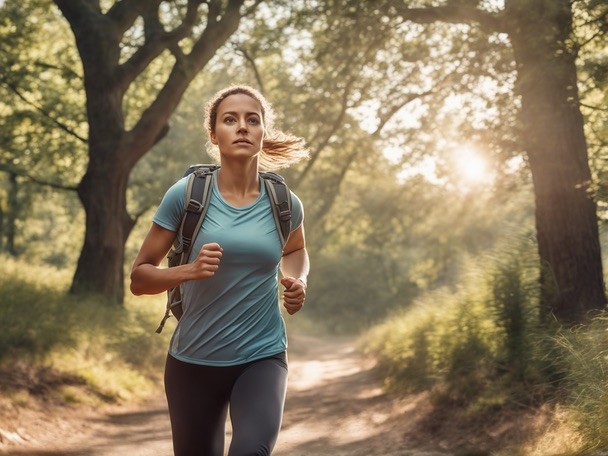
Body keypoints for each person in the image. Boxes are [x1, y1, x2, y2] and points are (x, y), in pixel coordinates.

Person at [130, 85, 310, 456]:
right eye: (230, 120)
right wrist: (188, 271)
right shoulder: (186, 195)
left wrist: (297, 280)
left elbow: (296, 249)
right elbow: (139, 278)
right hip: (193, 362)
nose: (242, 127)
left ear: (263, 132)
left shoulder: (283, 201)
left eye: (252, 119)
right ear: (214, 135)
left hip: (262, 356)